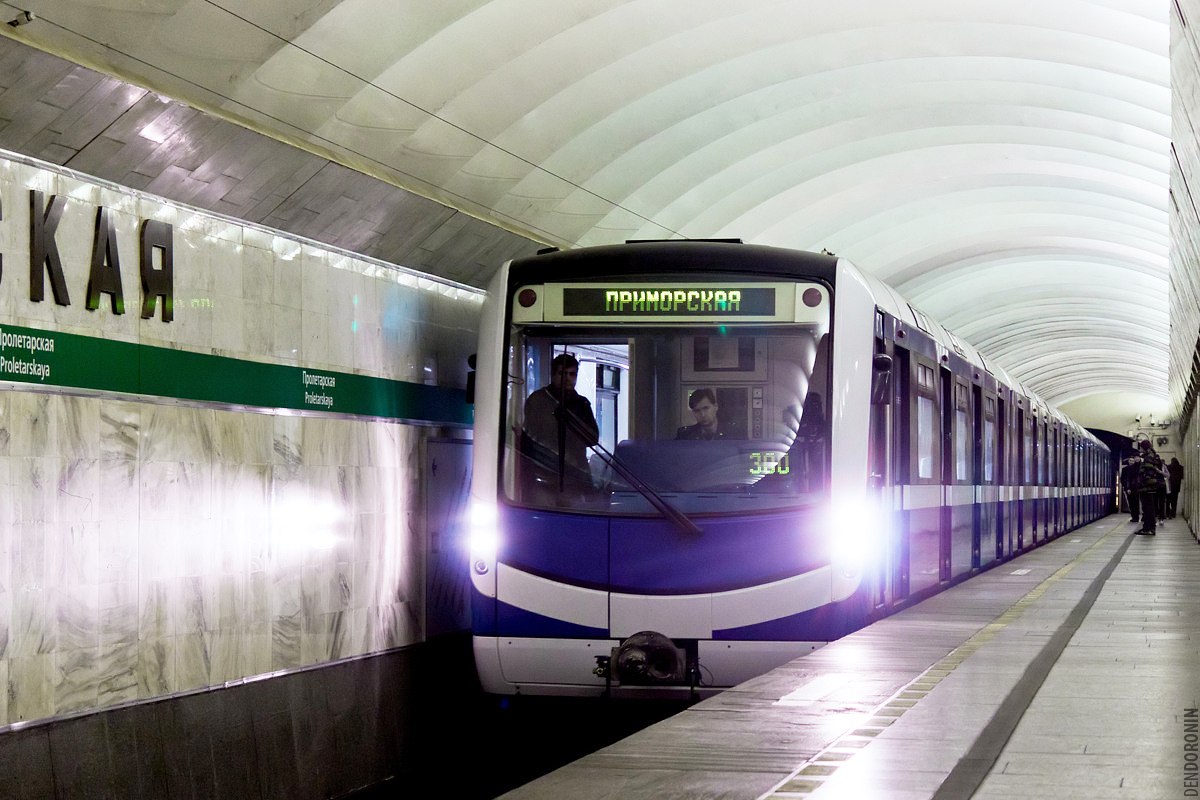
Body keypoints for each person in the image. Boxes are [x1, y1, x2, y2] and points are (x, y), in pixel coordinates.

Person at [520, 353, 600, 502]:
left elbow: (592, 439)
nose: (567, 379)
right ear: (553, 375)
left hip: (574, 479)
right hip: (543, 478)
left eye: (572, 374)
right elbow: (528, 438)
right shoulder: (537, 400)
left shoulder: (581, 404)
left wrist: (574, 417)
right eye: (562, 374)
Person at [1134, 439, 1166, 535]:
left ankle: (1148, 528)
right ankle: (1148, 528)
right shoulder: (1153, 456)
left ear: (1144, 447)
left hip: (1147, 486)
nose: (1140, 449)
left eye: (1141, 447)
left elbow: (1148, 471)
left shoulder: (1148, 457)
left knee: (1147, 508)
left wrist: (1142, 482)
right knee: (1149, 508)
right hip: (1150, 486)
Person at [1120, 455, 1141, 523]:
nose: (1131, 462)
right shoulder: (1125, 469)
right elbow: (1122, 479)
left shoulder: (1137, 468)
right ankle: (1133, 516)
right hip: (1128, 488)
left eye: (1133, 461)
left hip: (1135, 488)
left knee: (1136, 502)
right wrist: (1126, 487)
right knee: (1131, 503)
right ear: (1128, 461)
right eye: (1130, 461)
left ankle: (1136, 516)